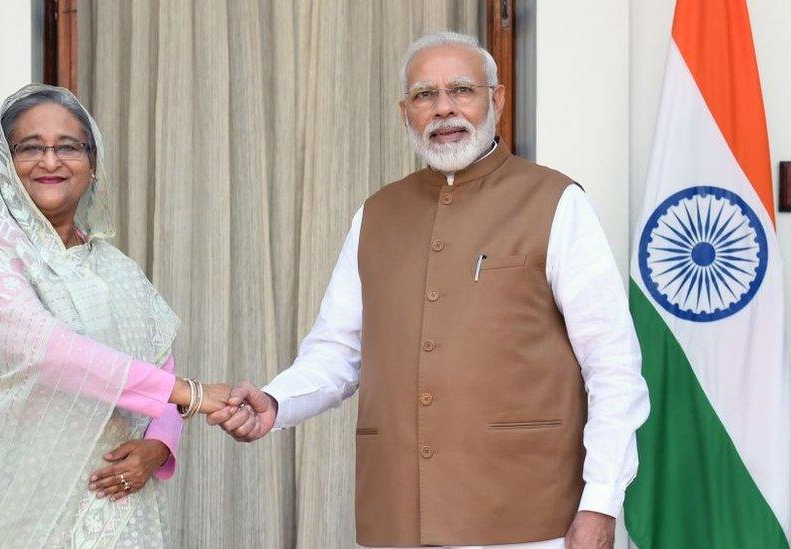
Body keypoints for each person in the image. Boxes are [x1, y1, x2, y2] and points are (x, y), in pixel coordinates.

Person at [209, 32, 650, 549]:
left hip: (529, 519)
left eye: (462, 90)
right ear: (405, 112)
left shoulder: (557, 202)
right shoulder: (376, 215)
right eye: (424, 95)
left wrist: (600, 502)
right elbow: (337, 351)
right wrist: (275, 401)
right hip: (397, 515)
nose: (444, 109)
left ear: (497, 99)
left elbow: (613, 365)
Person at [0, 84, 228, 548]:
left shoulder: (116, 268)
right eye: (30, 148)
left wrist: (159, 445)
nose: (50, 161)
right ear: (6, 162)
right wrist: (191, 394)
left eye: (68, 147)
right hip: (11, 507)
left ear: (92, 163)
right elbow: (49, 353)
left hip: (113, 505)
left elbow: (161, 362)